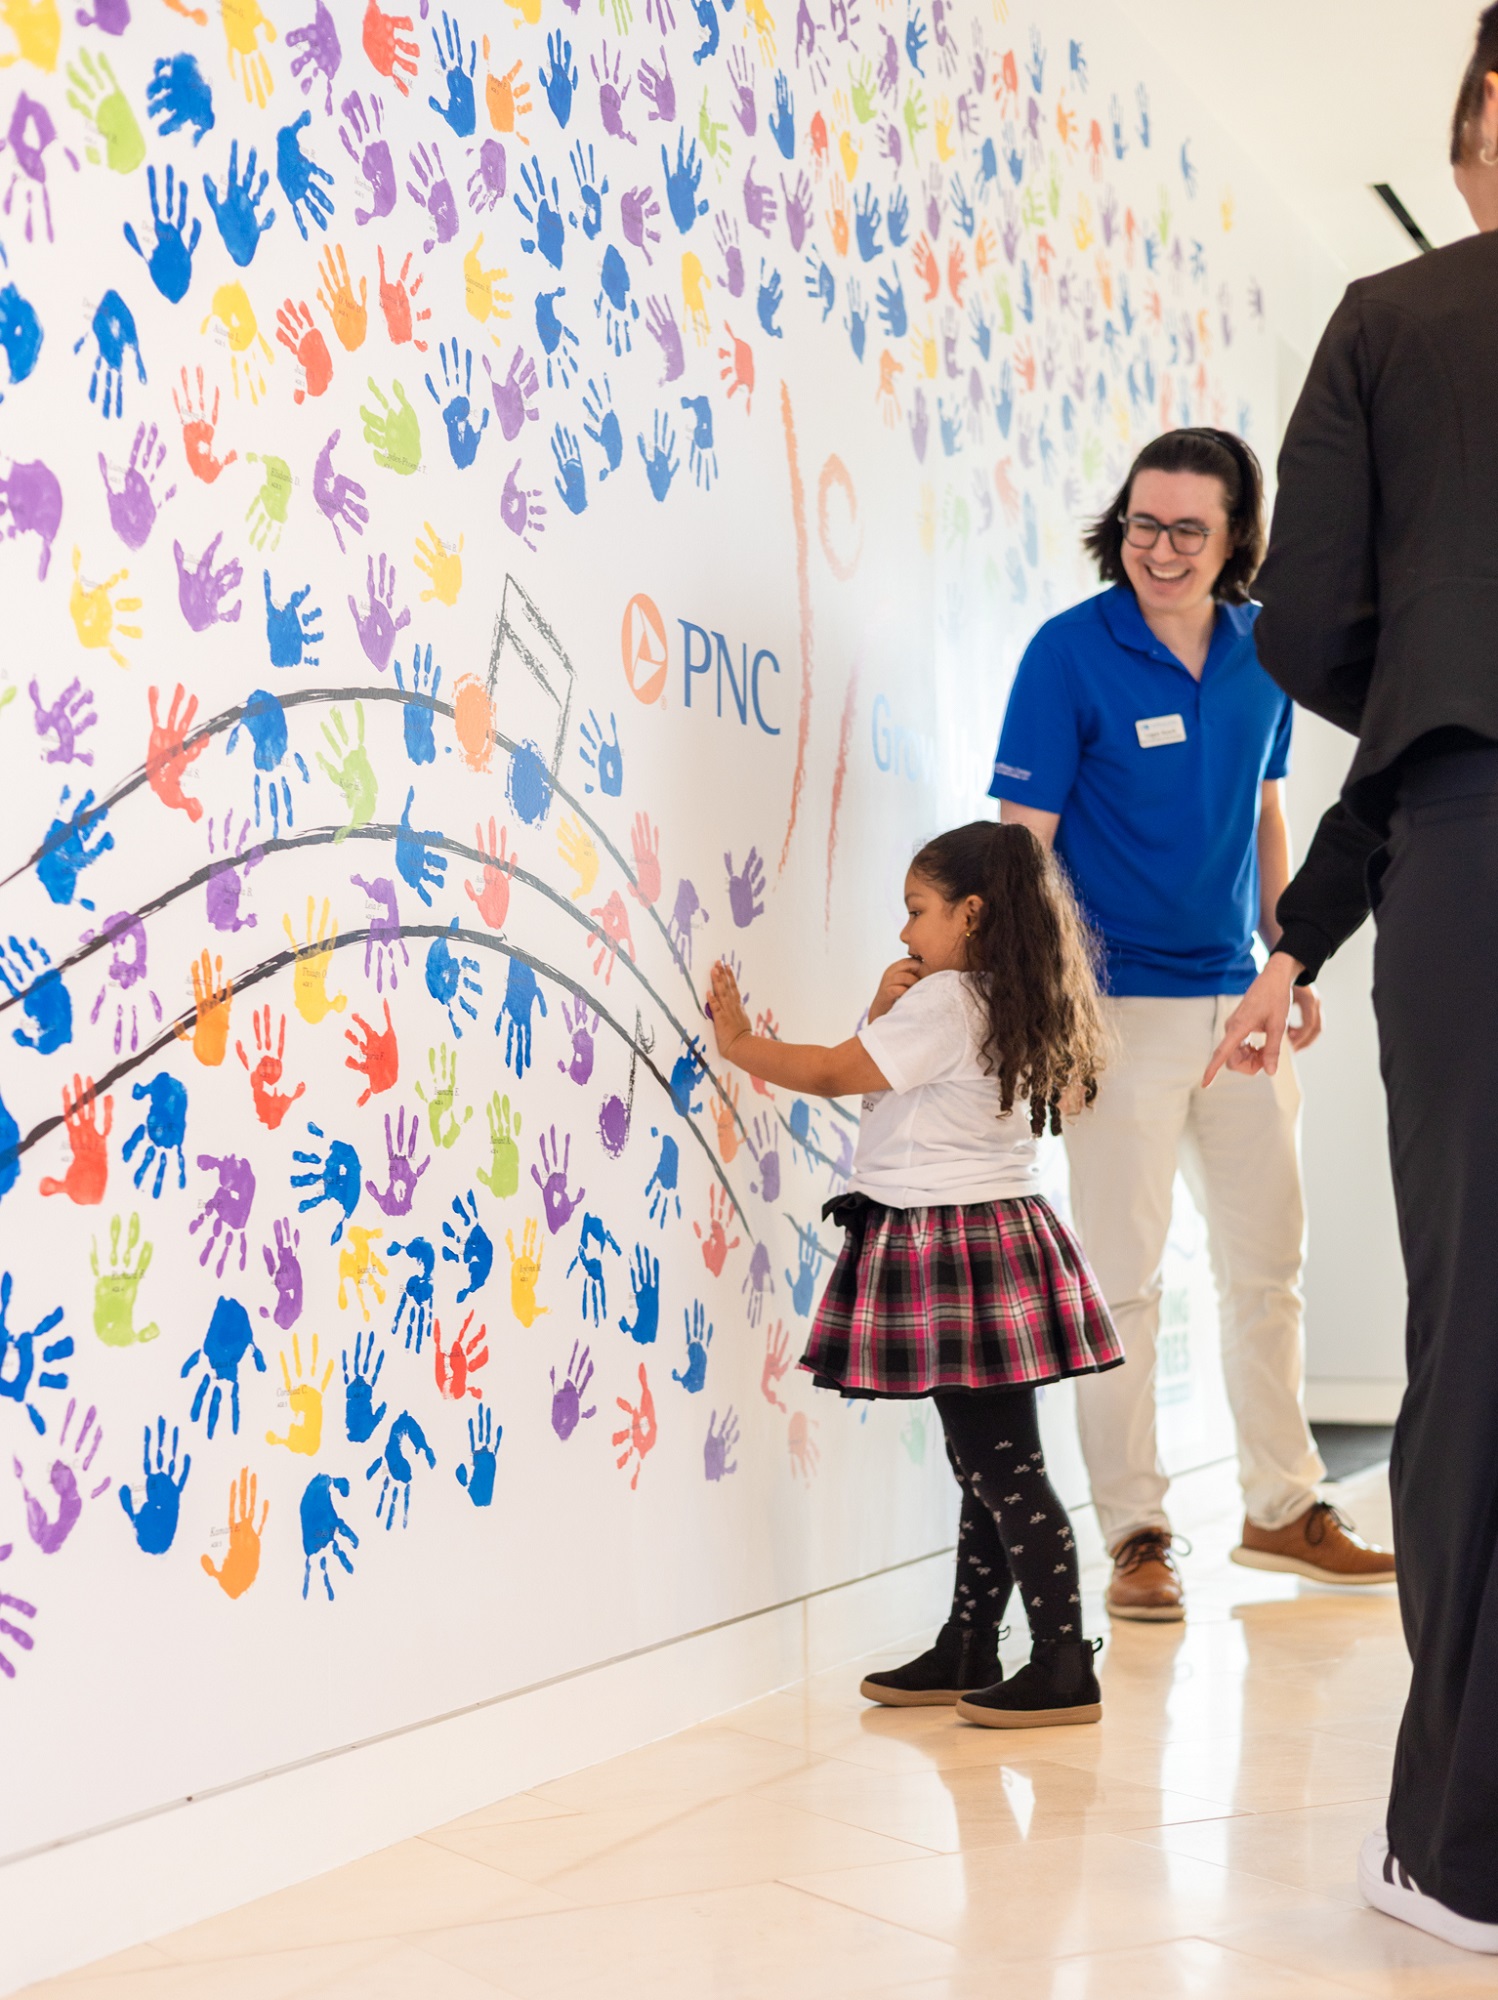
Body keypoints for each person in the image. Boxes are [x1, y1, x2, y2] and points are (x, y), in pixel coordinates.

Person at [1201, 8, 1498, 1953]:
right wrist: (1295, 937)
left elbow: (1319, 635)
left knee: (1474, 1336)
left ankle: (1463, 1847)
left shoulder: (1393, 323)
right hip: (1439, 829)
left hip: (1473, 844)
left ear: (1475, 131)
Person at [990, 427, 1395, 1621]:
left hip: (1237, 1005)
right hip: (1112, 1010)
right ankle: (1137, 1533)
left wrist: (1287, 952)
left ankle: (1280, 1504)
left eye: (1186, 530)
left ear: (1235, 543)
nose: (1157, 550)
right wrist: (1041, 1010)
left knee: (1267, 1266)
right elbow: (1025, 848)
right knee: (1120, 1283)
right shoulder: (1068, 653)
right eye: (1140, 524)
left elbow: (1267, 807)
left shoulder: (1265, 650)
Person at [704, 822, 1121, 1728]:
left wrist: (740, 1043)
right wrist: (889, 1007)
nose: (905, 935)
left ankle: (1061, 1662)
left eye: (917, 912)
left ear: (971, 914)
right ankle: (972, 1642)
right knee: (995, 1462)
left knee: (997, 1464)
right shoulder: (1006, 998)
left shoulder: (946, 1005)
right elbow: (894, 1087)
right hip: (999, 1238)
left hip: (953, 1245)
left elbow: (832, 1073)